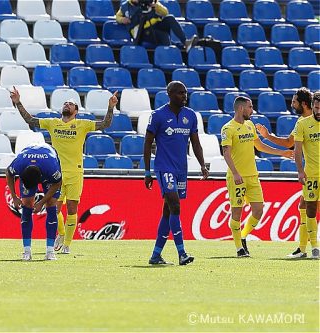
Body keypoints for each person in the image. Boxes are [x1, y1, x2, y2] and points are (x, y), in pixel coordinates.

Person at [10, 87, 117, 254]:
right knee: (55, 207)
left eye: (71, 104)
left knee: (73, 207)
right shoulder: (53, 122)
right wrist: (18, 103)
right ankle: (60, 233)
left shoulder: (83, 124)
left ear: (76, 111)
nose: (67, 105)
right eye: (65, 103)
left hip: (75, 172)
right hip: (56, 172)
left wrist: (111, 106)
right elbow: (31, 121)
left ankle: (67, 244)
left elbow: (105, 124)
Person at [144, 81, 208, 266]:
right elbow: (148, 143)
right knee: (175, 205)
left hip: (181, 169)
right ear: (170, 94)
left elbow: (195, 143)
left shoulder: (191, 116)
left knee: (168, 211)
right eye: (180, 93)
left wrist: (203, 165)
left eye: (185, 93)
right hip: (164, 167)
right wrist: (147, 172)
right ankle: (182, 253)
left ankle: (156, 255)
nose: (184, 96)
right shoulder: (158, 116)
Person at [221, 96, 294, 257]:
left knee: (258, 211)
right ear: (241, 109)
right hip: (237, 177)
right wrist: (235, 173)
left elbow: (259, 146)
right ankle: (239, 248)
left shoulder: (249, 125)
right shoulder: (228, 128)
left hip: (252, 176)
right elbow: (226, 153)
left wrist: (282, 152)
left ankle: (243, 236)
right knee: (237, 213)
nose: (252, 110)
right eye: (250, 107)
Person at [255, 87, 313, 258]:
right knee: (304, 206)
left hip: (315, 172)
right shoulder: (302, 122)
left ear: (303, 103)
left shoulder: (312, 121)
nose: (292, 104)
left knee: (307, 207)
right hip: (312, 172)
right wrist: (267, 136)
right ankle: (303, 249)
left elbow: (290, 144)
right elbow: (289, 143)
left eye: (294, 101)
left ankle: (305, 249)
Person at [6, 143, 62, 261]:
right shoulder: (19, 164)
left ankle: (50, 251)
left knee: (51, 204)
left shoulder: (51, 167)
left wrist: (41, 202)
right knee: (26, 204)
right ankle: (27, 251)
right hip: (30, 161)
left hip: (47, 164)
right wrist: (14, 196)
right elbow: (9, 173)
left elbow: (57, 183)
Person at [293, 91, 319, 259]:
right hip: (311, 175)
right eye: (316, 107)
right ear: (313, 106)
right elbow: (297, 150)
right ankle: (315, 247)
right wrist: (300, 171)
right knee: (310, 208)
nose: (319, 110)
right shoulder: (302, 124)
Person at [116, 0, 197, 50]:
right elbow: (117, 16)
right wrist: (122, 20)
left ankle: (185, 42)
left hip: (156, 25)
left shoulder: (151, 1)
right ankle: (167, 53)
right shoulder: (125, 6)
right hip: (142, 31)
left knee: (170, 18)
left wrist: (156, 6)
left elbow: (165, 12)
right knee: (163, 35)